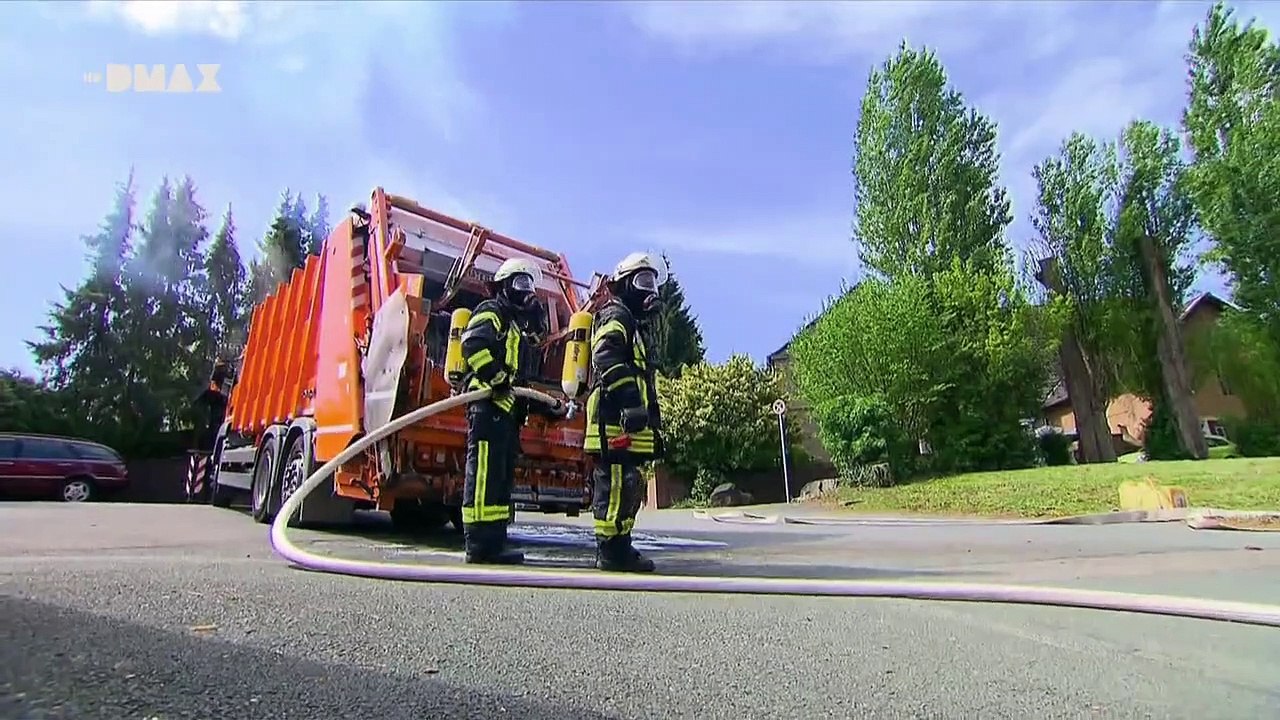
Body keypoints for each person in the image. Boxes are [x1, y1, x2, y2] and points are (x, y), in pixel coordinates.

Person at [459, 257, 568, 564]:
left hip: (504, 412)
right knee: (483, 477)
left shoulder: (514, 326)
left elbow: (518, 383)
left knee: (500, 478)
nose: (526, 291)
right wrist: (497, 379)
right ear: (504, 286)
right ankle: (478, 544)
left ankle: (494, 541)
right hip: (486, 407)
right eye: (520, 284)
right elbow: (474, 347)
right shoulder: (491, 311)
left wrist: (548, 408)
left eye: (529, 284)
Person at [583, 251, 669, 573]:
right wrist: (632, 402)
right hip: (613, 419)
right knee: (616, 485)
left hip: (626, 421)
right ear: (624, 285)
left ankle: (620, 546)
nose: (650, 291)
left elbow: (637, 372)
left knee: (627, 486)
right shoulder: (615, 315)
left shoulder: (631, 323)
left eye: (652, 282)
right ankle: (610, 552)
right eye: (643, 281)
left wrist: (651, 421)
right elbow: (606, 357)